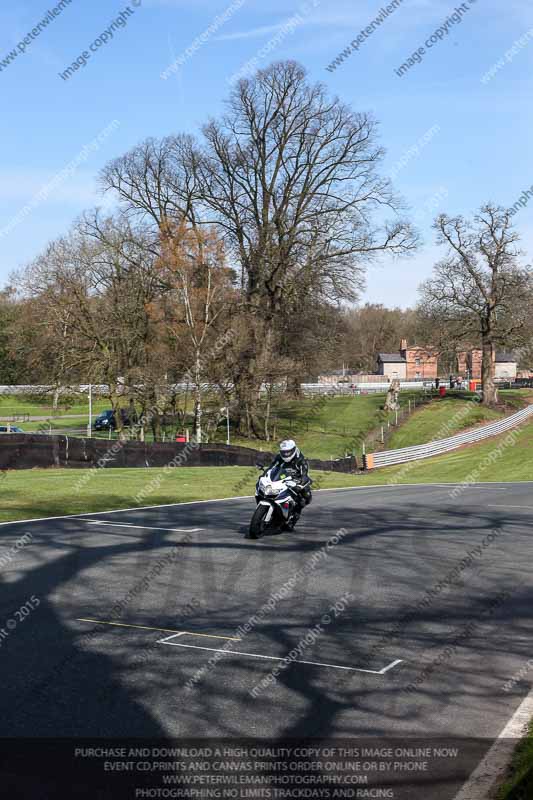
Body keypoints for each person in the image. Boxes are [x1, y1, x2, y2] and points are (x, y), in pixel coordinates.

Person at [268, 439, 312, 511]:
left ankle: (297, 508)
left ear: (293, 450)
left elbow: (304, 474)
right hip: (283, 476)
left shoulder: (301, 460)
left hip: (297, 478)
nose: (286, 454)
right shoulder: (279, 457)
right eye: (284, 452)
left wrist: (300, 484)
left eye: (288, 452)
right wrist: (264, 475)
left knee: (306, 493)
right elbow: (271, 468)